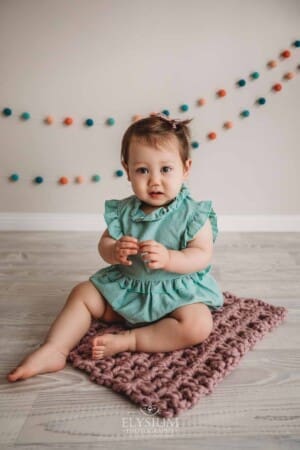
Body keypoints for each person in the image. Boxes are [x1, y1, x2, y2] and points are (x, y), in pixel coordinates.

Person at [7, 113, 223, 382]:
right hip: (129, 290)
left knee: (198, 326)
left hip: (175, 295)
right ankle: (54, 349)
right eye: (143, 170)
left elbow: (201, 255)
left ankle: (131, 339)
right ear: (127, 169)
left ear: (185, 168)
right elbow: (104, 243)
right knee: (83, 293)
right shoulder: (124, 211)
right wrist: (114, 250)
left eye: (166, 169)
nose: (154, 180)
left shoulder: (193, 214)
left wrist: (170, 257)